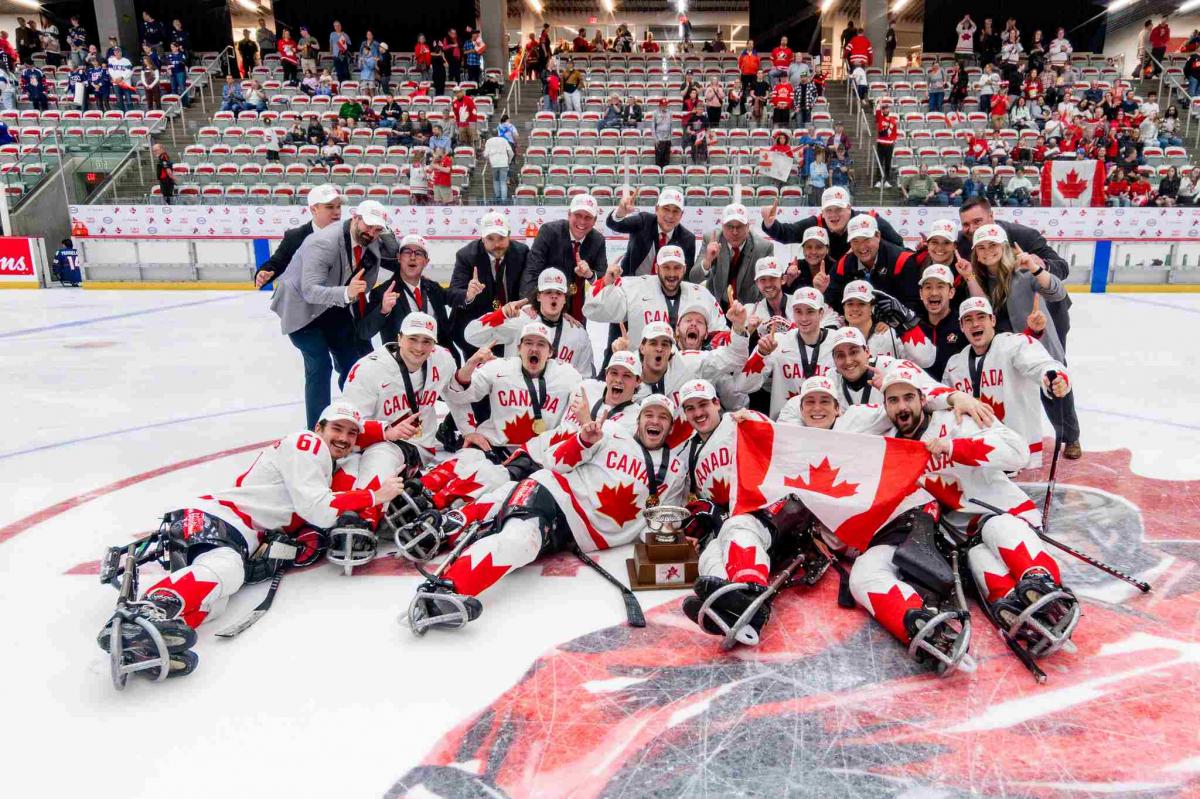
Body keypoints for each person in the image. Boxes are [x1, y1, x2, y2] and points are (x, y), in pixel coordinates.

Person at [94, 401, 410, 679]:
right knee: (228, 569)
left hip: (230, 529)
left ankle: (152, 637)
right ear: (318, 427)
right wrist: (372, 495)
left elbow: (316, 499)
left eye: (352, 434)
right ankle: (149, 610)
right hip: (220, 518)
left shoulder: (320, 459)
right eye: (337, 429)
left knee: (215, 605)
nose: (344, 438)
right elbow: (317, 509)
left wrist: (383, 435)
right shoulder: (307, 444)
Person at [849, 367, 1078, 673]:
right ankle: (928, 623)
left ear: (922, 398)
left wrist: (956, 448)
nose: (902, 407)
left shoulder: (955, 421)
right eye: (893, 400)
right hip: (962, 545)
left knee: (999, 527)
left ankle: (1040, 582)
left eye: (908, 397)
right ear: (885, 406)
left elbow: (1017, 451)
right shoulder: (888, 442)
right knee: (987, 571)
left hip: (1001, 515)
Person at [407, 393, 678, 631]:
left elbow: (658, 521)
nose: (654, 421)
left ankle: (457, 524)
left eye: (662, 418)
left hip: (571, 534)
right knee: (520, 541)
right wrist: (583, 440)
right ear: (639, 419)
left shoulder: (675, 470)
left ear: (670, 426)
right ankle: (447, 588)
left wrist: (673, 541)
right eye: (649, 415)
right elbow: (554, 461)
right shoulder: (612, 433)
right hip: (552, 494)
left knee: (508, 521)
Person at [960, 222, 1079, 458]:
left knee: (1057, 393)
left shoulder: (1024, 272)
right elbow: (983, 307)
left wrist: (1036, 268)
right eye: (981, 247)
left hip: (1039, 342)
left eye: (992, 245)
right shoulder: (981, 278)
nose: (987, 252)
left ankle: (1071, 437)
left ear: (1004, 247)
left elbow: (1057, 292)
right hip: (1008, 350)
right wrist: (970, 277)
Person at [270, 201, 390, 428]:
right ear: (355, 217)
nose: (372, 233)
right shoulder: (323, 243)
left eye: (378, 229)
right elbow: (310, 290)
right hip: (302, 310)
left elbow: (392, 251)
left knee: (353, 364)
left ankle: (357, 420)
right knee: (320, 365)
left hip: (334, 306)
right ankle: (317, 430)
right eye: (369, 225)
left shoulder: (372, 242)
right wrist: (347, 292)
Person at [944, 296, 1069, 470]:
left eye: (981, 317)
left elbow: (1042, 365)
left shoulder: (1013, 345)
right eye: (968, 319)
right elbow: (944, 405)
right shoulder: (954, 365)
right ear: (961, 327)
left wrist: (1056, 378)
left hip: (1019, 457)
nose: (975, 324)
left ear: (992, 320)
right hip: (977, 459)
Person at [585, 246, 727, 349]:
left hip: (687, 373)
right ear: (657, 268)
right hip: (643, 372)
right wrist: (606, 282)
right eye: (666, 267)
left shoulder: (701, 294)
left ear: (684, 269)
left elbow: (721, 333)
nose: (672, 274)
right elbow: (593, 311)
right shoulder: (635, 288)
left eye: (677, 267)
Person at [465, 270, 593, 376]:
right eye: (548, 292)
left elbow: (585, 378)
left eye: (559, 293)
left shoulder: (578, 334)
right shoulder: (519, 321)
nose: (554, 297)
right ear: (538, 296)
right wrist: (501, 314)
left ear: (565, 298)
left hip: (557, 403)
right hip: (517, 399)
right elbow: (471, 334)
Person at [523, 194, 608, 321]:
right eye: (578, 215)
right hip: (548, 304)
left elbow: (602, 277)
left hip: (578, 309)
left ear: (595, 220)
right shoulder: (549, 232)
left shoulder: (598, 240)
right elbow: (532, 270)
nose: (582, 221)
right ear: (569, 214)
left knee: (577, 337)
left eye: (588, 217)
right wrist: (530, 303)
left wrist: (590, 274)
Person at [761, 186, 902, 261]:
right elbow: (787, 233)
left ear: (849, 208)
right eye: (829, 210)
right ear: (822, 212)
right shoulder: (816, 223)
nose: (833, 215)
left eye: (839, 209)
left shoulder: (870, 221)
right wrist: (770, 223)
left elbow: (898, 245)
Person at [256, 185, 342, 288]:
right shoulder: (295, 237)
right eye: (330, 207)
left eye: (339, 206)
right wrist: (264, 273)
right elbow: (276, 263)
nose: (337, 212)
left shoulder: (347, 235)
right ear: (314, 209)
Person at [691, 203, 774, 305]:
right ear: (722, 226)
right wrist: (707, 261)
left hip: (748, 307)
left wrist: (756, 307)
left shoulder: (763, 248)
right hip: (716, 305)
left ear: (748, 226)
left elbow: (770, 285)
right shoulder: (711, 239)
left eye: (739, 226)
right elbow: (694, 278)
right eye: (730, 226)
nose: (734, 232)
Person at [606, 187, 696, 278]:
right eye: (666, 209)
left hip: (667, 288)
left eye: (675, 211)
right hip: (632, 283)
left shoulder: (688, 239)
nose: (670, 215)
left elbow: (686, 275)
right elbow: (614, 224)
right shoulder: (643, 221)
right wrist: (620, 212)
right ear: (656, 209)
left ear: (681, 215)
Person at [874, 105, 898, 187]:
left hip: (889, 145)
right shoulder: (880, 118)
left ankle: (887, 181)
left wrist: (892, 141)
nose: (885, 110)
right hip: (880, 144)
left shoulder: (893, 121)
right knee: (879, 163)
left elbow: (895, 134)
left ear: (889, 110)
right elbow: (877, 111)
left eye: (886, 108)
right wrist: (880, 102)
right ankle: (878, 181)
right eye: (883, 109)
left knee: (888, 163)